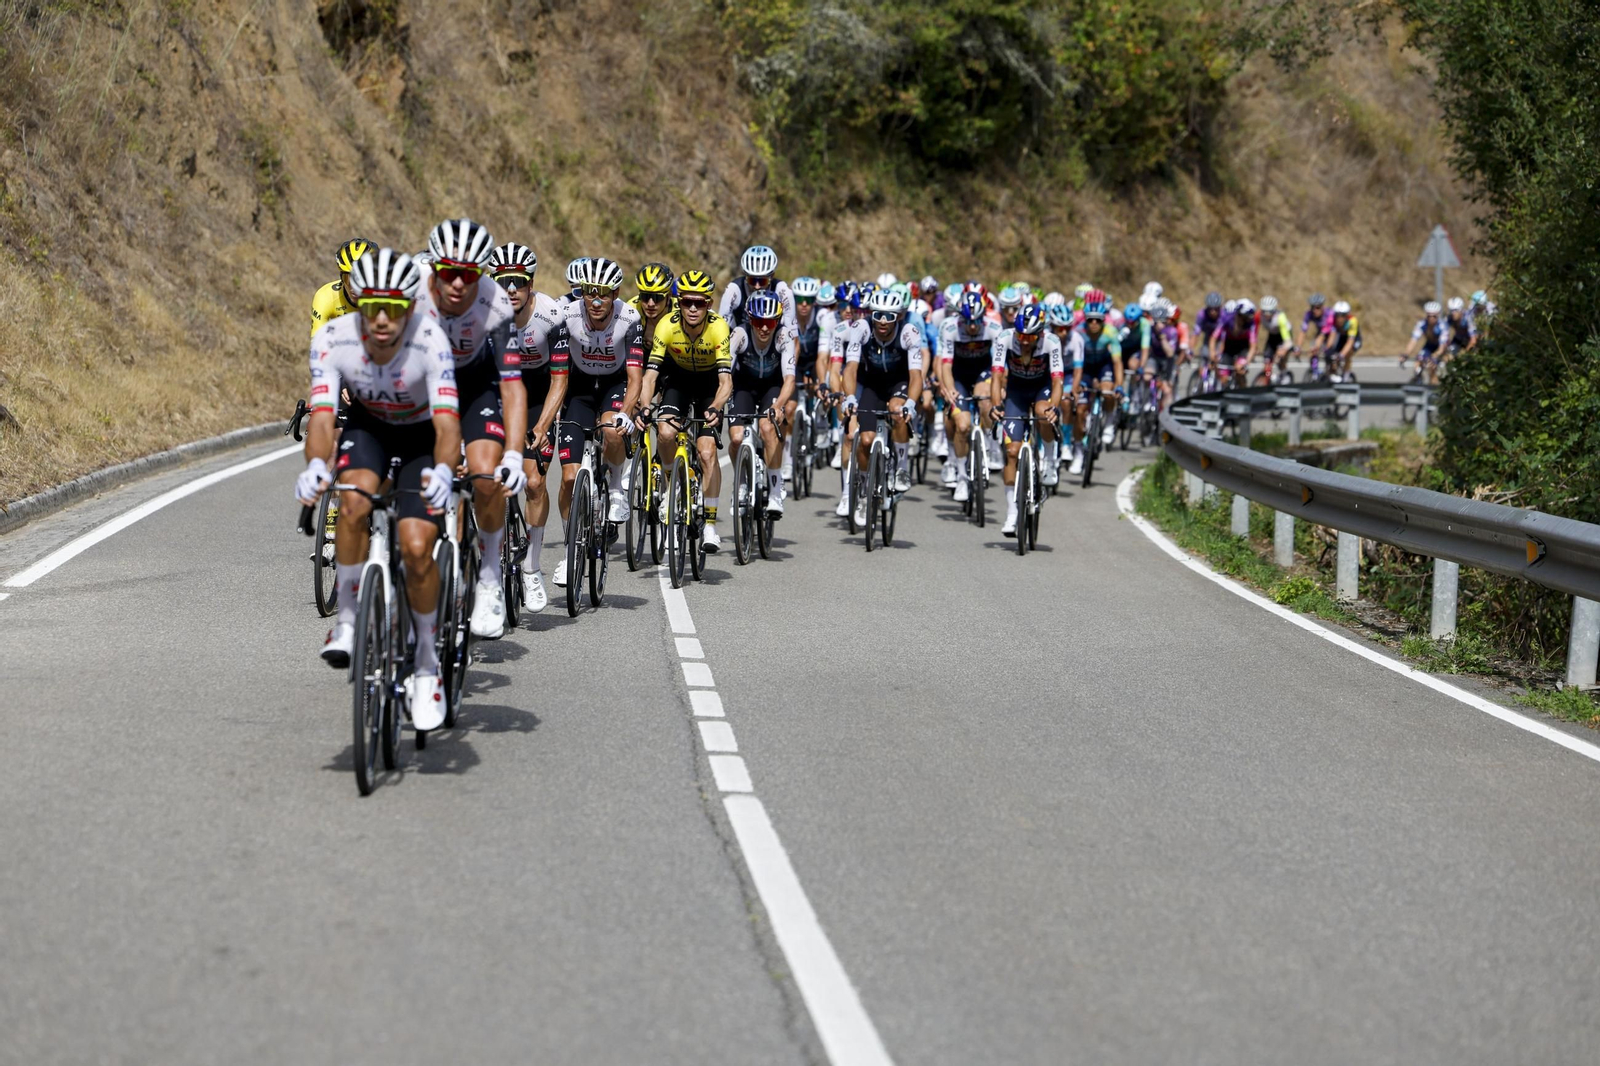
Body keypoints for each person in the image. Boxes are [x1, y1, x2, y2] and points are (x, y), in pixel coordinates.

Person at [296, 248, 461, 730]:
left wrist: (446, 472)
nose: (383, 319)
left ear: (412, 307)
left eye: (394, 308)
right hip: (370, 427)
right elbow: (323, 417)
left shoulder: (432, 342)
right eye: (372, 307)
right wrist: (314, 467)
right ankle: (348, 619)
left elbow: (449, 427)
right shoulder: (333, 337)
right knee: (351, 504)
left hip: (421, 437)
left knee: (415, 547)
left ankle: (428, 663)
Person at [415, 218, 524, 641]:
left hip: (476, 383)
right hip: (422, 381)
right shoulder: (409, 289)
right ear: (433, 268)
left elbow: (512, 387)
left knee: (484, 473)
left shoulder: (496, 303)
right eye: (448, 273)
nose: (458, 284)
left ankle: (490, 575)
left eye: (469, 274)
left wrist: (513, 454)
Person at [547, 257, 644, 588]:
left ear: (616, 293)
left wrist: (626, 413)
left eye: (605, 293)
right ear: (581, 293)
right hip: (580, 389)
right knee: (569, 479)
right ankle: (570, 550)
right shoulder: (566, 314)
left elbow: (635, 378)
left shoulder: (629, 319)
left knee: (611, 431)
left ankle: (616, 487)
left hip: (615, 385)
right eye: (590, 292)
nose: (597, 300)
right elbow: (554, 371)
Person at [490, 242, 567, 614]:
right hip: (501, 391)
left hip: (540, 392)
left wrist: (541, 425)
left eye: (518, 282)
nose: (510, 290)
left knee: (534, 480)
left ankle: (532, 567)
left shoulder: (551, 315)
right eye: (503, 281)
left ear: (531, 284)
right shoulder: (484, 316)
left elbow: (560, 380)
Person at [640, 269, 734, 553]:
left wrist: (716, 407)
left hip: (708, 387)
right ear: (678, 302)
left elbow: (725, 381)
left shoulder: (719, 328)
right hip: (679, 380)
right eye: (687, 302)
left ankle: (710, 525)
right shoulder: (666, 325)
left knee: (706, 453)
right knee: (666, 432)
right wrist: (645, 407)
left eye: (700, 303)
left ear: (709, 303)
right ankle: (670, 485)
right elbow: (650, 376)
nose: (693, 308)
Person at [840, 289, 926, 525]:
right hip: (872, 385)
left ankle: (901, 467)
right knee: (865, 441)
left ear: (898, 316)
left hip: (900, 383)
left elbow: (916, 376)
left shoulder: (909, 332)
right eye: (878, 315)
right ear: (871, 314)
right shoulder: (861, 329)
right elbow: (850, 369)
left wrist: (911, 402)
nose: (883, 322)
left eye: (889, 316)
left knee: (899, 411)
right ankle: (866, 490)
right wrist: (849, 397)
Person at [990, 304, 1063, 536]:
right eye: (1020, 335)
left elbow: (1058, 381)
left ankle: (1050, 461)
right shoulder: (1004, 338)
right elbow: (996, 375)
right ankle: (1012, 514)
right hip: (1016, 392)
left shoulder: (1051, 342)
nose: (1023, 340)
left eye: (1029, 337)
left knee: (1044, 414)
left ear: (1040, 334)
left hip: (1041, 389)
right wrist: (995, 405)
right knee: (1012, 451)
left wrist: (1055, 407)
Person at [729, 290, 797, 516]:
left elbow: (789, 378)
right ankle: (739, 483)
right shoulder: (739, 334)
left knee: (768, 428)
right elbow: (724, 372)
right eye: (759, 321)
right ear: (750, 319)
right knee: (737, 437)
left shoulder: (783, 335)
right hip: (744, 387)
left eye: (770, 321)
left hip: (772, 387)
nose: (765, 327)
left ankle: (776, 487)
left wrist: (778, 407)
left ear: (777, 320)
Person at [937, 290, 1004, 502]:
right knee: (962, 425)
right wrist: (948, 390)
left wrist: (999, 387)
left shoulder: (994, 328)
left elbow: (999, 366)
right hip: (957, 374)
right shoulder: (949, 327)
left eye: (976, 321)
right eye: (968, 321)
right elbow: (945, 366)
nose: (973, 326)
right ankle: (962, 477)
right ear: (960, 317)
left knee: (985, 399)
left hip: (984, 372)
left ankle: (991, 445)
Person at [1068, 291, 1123, 473]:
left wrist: (1120, 385)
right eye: (1090, 319)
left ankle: (1108, 421)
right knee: (1080, 410)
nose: (1093, 324)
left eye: (1098, 320)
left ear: (1103, 321)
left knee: (1108, 391)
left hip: (1103, 365)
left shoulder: (1110, 332)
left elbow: (1117, 362)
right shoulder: (1078, 332)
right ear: (1085, 319)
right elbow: (1075, 364)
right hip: (1084, 369)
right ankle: (1078, 452)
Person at [720, 245, 797, 332]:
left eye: (762, 281)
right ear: (745, 276)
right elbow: (720, 329)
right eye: (752, 280)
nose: (757, 286)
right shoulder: (733, 290)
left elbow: (793, 336)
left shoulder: (784, 292)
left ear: (771, 276)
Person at [310, 237, 373, 336]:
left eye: (361, 280)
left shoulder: (387, 298)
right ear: (341, 277)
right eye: (348, 279)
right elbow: (317, 346)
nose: (354, 287)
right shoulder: (326, 297)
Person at [630, 262, 676, 350]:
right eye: (645, 296)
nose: (650, 304)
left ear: (669, 295)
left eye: (657, 297)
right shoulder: (632, 308)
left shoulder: (681, 311)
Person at [1253, 296, 1295, 385]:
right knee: (1267, 361)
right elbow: (1254, 332)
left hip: (1284, 337)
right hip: (1272, 336)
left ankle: (1284, 375)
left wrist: (1283, 350)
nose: (1267, 314)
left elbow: (1287, 339)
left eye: (1270, 312)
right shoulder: (1258, 315)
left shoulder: (1280, 318)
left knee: (1279, 359)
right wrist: (1254, 345)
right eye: (1264, 311)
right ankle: (1268, 377)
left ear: (1274, 310)